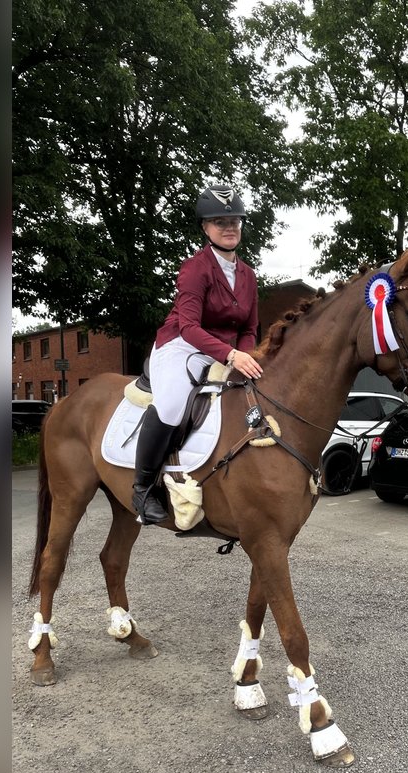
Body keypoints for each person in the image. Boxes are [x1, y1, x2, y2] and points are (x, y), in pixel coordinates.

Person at [132, 184, 265, 524]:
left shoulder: (248, 275)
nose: (229, 227)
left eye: (234, 220)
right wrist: (232, 356)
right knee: (175, 402)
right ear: (205, 228)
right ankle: (143, 487)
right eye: (219, 221)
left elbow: (249, 328)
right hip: (180, 345)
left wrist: (243, 357)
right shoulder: (195, 268)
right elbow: (189, 325)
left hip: (224, 352)